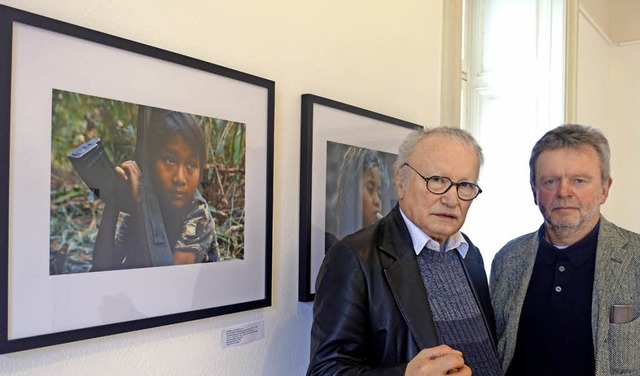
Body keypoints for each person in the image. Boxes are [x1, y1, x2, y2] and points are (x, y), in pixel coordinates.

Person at [308, 127, 502, 375]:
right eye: (437, 181)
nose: (452, 199)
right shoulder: (354, 258)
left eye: (464, 185)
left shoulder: (470, 253)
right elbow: (325, 371)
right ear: (401, 182)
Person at [490, 124, 640, 375]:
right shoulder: (507, 260)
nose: (563, 192)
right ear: (534, 191)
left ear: (605, 189)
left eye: (579, 180)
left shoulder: (635, 259)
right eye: (550, 181)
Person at [114, 107, 217, 267]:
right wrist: (113, 201)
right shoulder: (145, 197)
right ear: (150, 164)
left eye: (191, 164)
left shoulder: (198, 213)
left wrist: (141, 205)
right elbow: (104, 263)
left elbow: (169, 281)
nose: (180, 179)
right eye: (170, 160)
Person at [325, 146, 389, 252]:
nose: (377, 201)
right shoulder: (333, 246)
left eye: (380, 193)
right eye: (370, 188)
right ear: (351, 192)